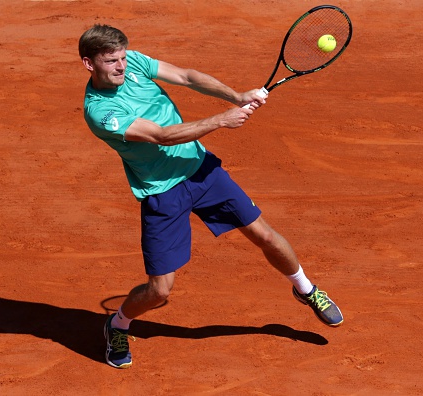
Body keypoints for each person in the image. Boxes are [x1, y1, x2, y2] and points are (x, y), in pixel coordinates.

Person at [79, 24, 343, 369]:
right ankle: (118, 324)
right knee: (159, 291)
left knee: (263, 234)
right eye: (112, 61)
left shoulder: (135, 64)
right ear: (89, 64)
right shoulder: (100, 112)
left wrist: (236, 96)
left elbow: (186, 76)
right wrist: (222, 119)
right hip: (162, 193)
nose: (121, 67)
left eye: (123, 58)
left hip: (201, 171)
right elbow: (161, 136)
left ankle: (306, 289)